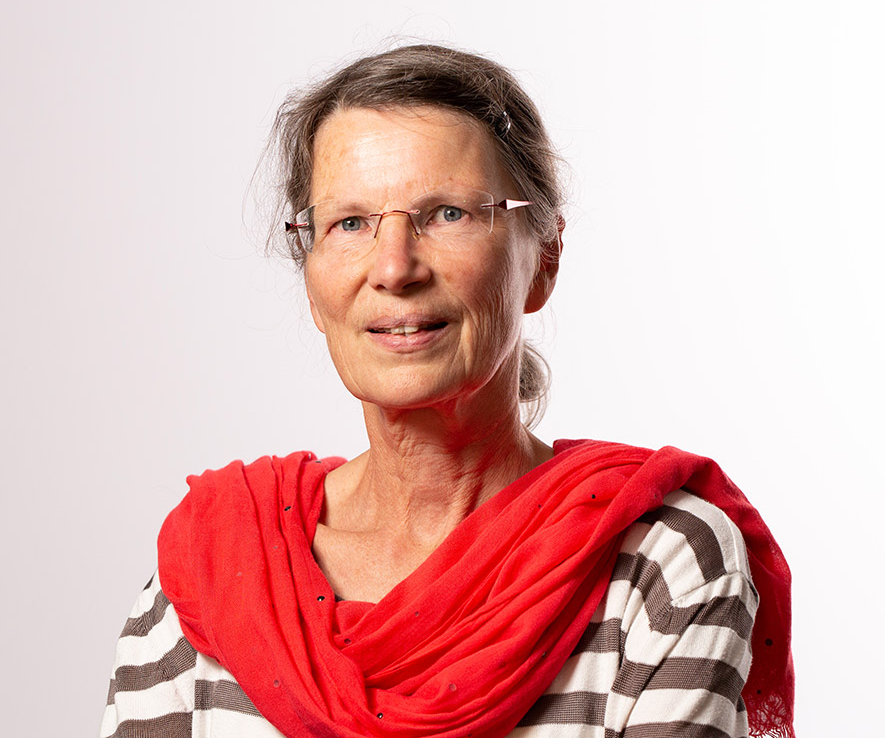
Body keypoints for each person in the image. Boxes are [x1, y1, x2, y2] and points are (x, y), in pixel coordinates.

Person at [100, 44, 794, 738]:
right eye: (349, 223)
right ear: (311, 281)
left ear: (543, 259)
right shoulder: (216, 568)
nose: (393, 268)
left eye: (447, 214)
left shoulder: (661, 562)